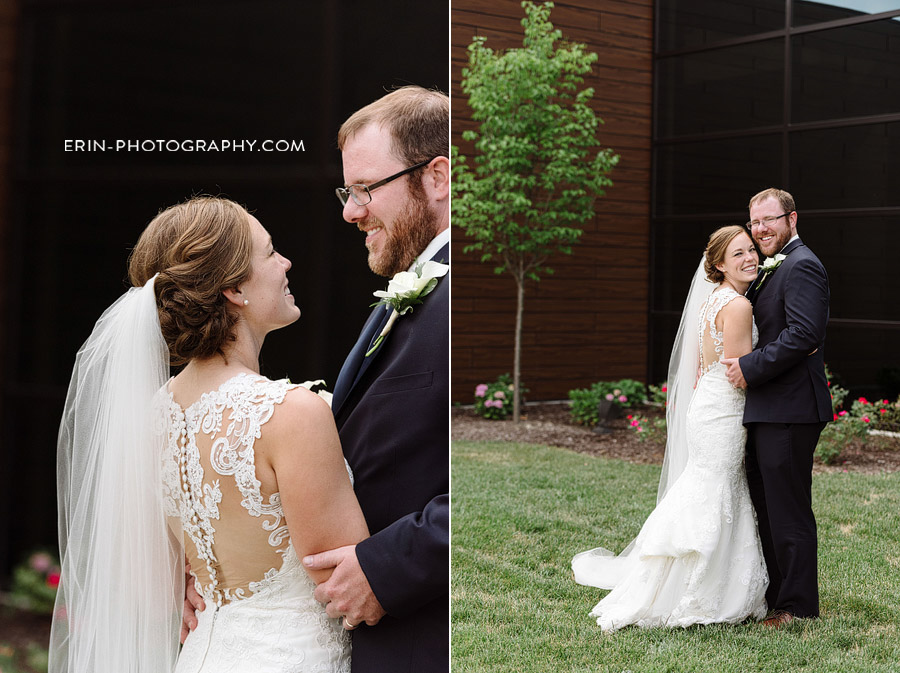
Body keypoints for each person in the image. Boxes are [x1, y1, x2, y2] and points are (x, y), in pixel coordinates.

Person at [181, 87, 450, 672]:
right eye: (346, 192)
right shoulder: (399, 298)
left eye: (364, 190)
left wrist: (390, 565)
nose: (350, 212)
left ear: (438, 177)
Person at [50, 196, 369, 673]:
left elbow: (153, 564)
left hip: (202, 656)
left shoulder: (153, 415)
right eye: (270, 251)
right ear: (235, 288)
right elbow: (343, 575)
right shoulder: (290, 413)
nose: (286, 262)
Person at [572, 225, 768, 631]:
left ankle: (678, 578)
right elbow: (740, 373)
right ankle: (700, 590)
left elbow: (704, 366)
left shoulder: (711, 300)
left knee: (707, 486)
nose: (750, 257)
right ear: (718, 264)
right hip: (725, 410)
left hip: (706, 406)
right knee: (716, 490)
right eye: (738, 254)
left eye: (751, 250)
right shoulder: (739, 307)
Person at [722, 188, 831, 627]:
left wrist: (749, 366)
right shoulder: (772, 266)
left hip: (791, 408)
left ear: (792, 218)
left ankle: (797, 606)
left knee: (787, 509)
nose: (761, 229)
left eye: (769, 220)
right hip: (769, 406)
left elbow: (804, 335)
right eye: (755, 222)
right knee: (766, 505)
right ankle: (775, 595)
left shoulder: (803, 265)